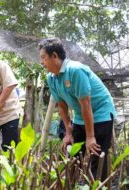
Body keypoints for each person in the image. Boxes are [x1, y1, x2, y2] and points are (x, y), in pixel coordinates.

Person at [38, 38, 116, 181]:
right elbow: (61, 105)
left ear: (54, 56)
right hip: (82, 115)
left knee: (97, 156)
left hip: (100, 113)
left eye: (43, 58)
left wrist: (90, 136)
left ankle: (100, 184)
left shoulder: (75, 70)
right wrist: (68, 132)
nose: (41, 62)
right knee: (74, 154)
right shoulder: (51, 78)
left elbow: (86, 104)